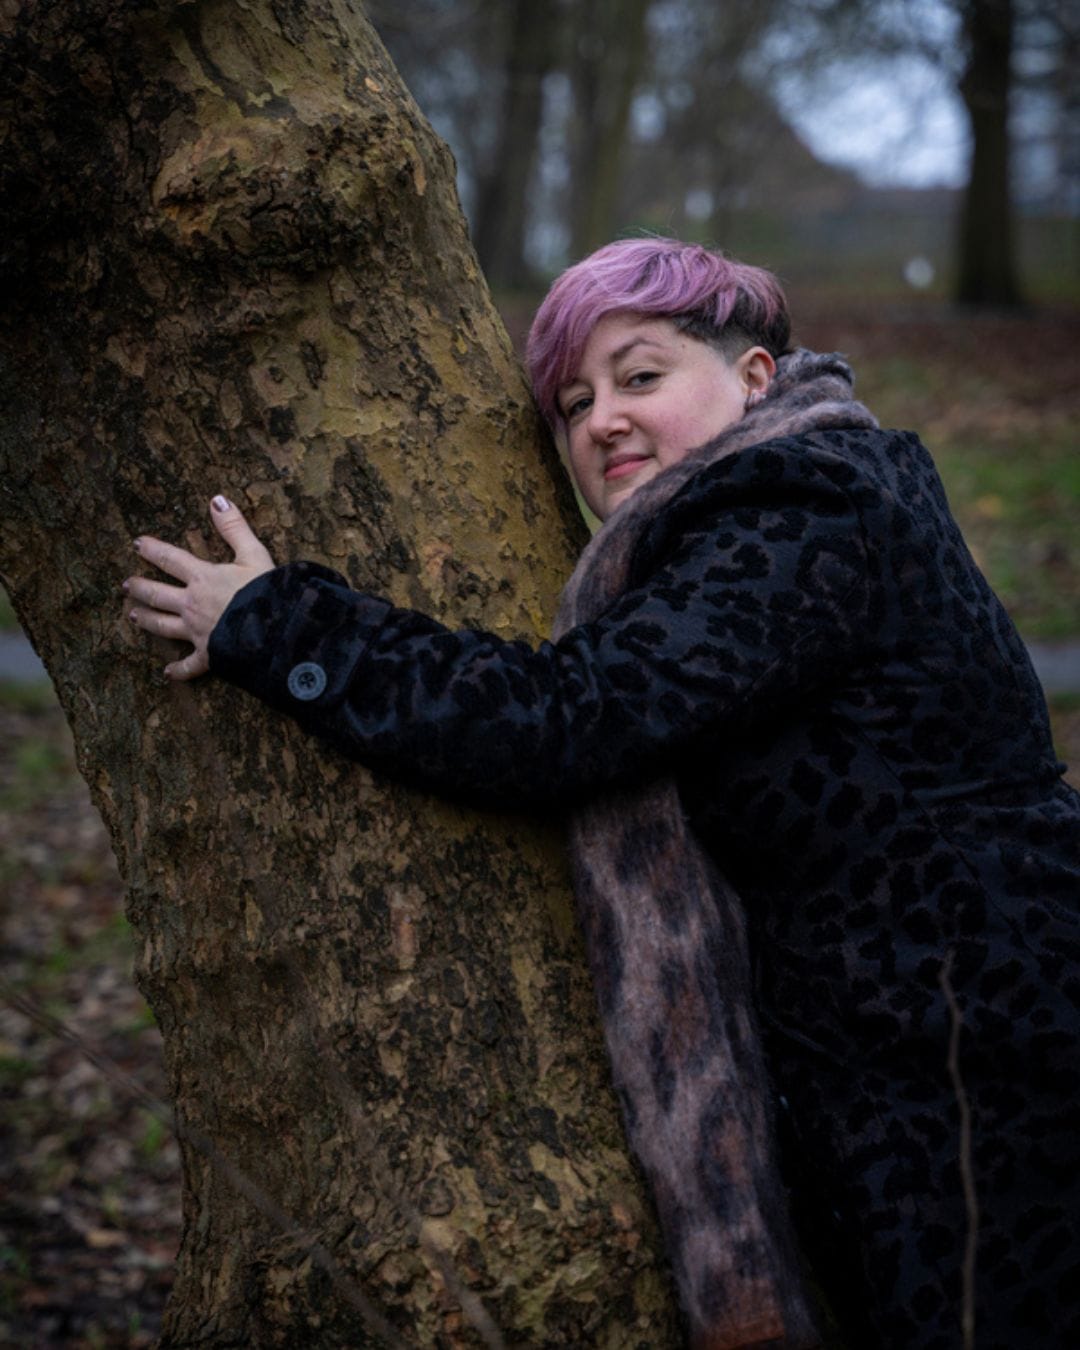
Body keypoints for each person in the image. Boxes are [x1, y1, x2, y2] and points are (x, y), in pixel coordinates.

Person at [124, 238, 1080, 1349]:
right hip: (932, 1066)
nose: (601, 422)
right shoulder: (790, 510)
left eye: (641, 376)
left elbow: (561, 720)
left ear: (756, 378)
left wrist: (279, 623)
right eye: (572, 403)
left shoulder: (801, 508)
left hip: (981, 1079)